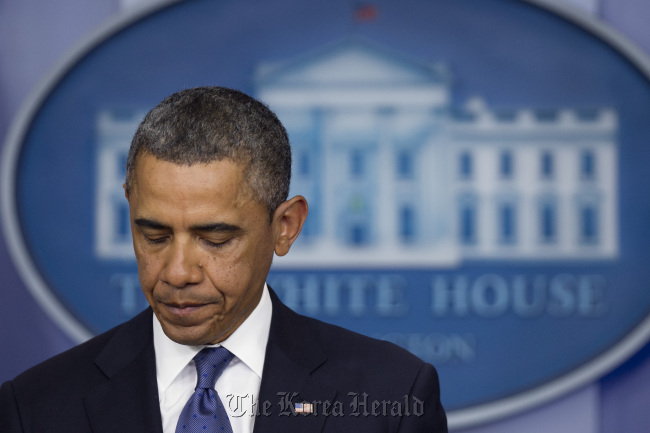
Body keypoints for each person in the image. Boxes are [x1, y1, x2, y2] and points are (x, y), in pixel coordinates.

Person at [0, 87, 447, 432]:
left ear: (285, 226)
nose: (176, 272)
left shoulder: (392, 396)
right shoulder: (35, 406)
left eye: (214, 239)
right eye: (153, 235)